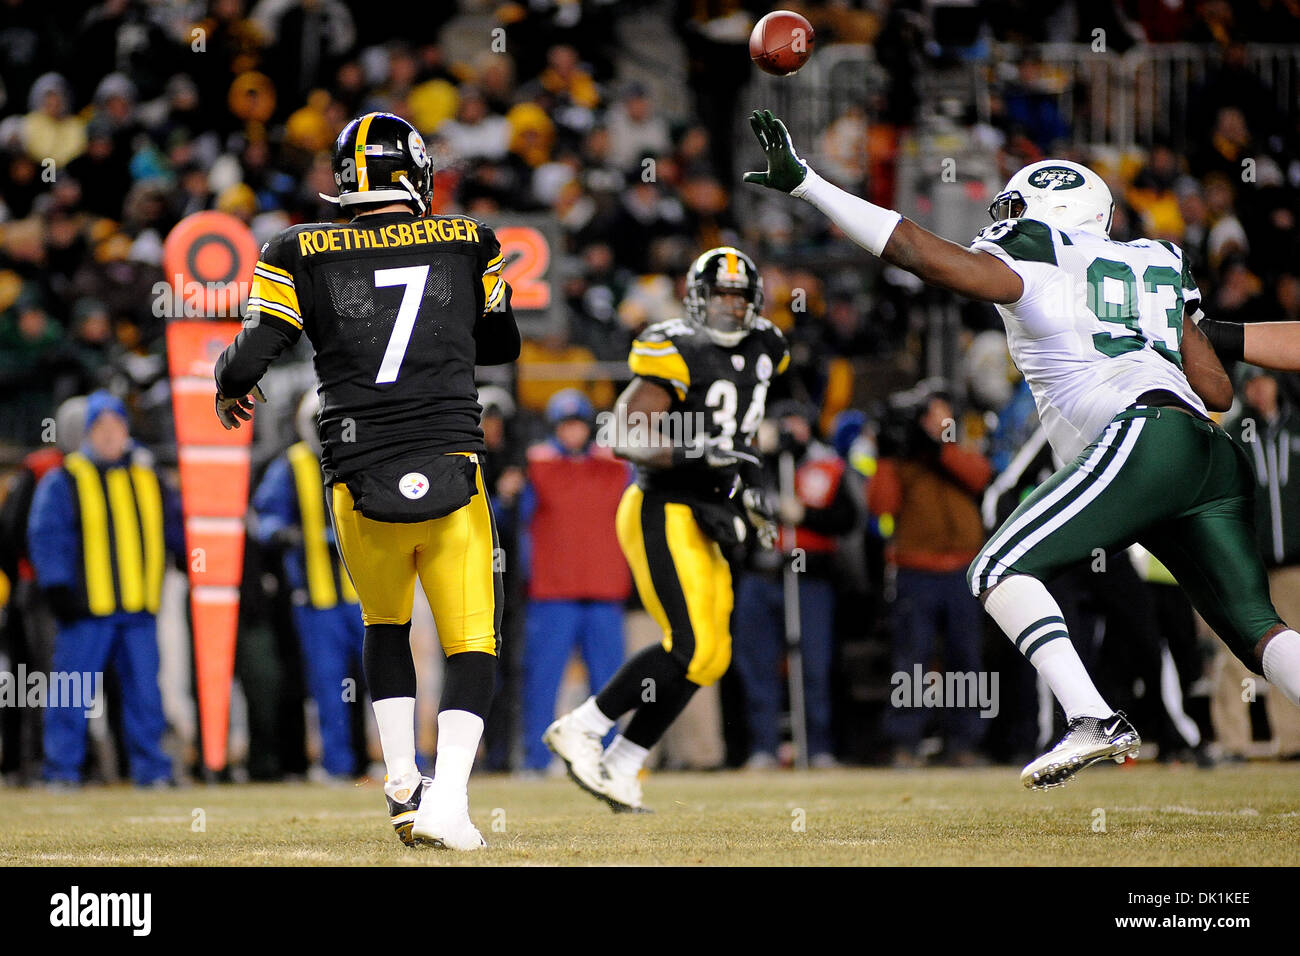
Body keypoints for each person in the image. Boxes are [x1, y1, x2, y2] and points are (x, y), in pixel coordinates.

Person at [744, 108, 1300, 790]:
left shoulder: (1042, 250)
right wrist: (1179, 328)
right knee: (1257, 630)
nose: (1001, 221)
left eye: (1016, 207)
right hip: (1208, 454)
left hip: (1141, 435)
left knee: (998, 568)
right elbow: (1214, 388)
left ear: (1052, 209)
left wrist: (810, 186)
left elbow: (918, 252)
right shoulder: (1156, 259)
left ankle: (1093, 718)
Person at [214, 112, 520, 850]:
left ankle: (401, 782)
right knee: (471, 638)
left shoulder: (298, 249)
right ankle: (448, 799)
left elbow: (252, 356)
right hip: (449, 462)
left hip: (357, 473)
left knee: (384, 626)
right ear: (415, 174)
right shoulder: (467, 239)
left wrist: (229, 384)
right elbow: (503, 344)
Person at [545, 246, 788, 811]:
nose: (730, 307)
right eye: (720, 295)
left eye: (738, 296)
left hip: (711, 512)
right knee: (692, 642)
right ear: (696, 300)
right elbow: (623, 434)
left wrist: (748, 480)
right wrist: (695, 451)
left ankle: (623, 764)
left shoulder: (768, 347)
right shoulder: (672, 346)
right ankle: (582, 725)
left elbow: (747, 430)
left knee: (711, 656)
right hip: (664, 506)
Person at [26, 390, 183, 788]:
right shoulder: (65, 478)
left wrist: (191, 558)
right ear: (88, 433)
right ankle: (61, 772)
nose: (111, 435)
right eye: (101, 428)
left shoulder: (148, 478)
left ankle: (152, 771)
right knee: (71, 694)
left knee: (146, 696)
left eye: (117, 427)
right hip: (85, 611)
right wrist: (58, 587)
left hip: (138, 611)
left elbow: (176, 527)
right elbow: (47, 535)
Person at [869, 383, 992, 766]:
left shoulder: (958, 446)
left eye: (943, 414)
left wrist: (940, 447)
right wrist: (889, 455)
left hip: (963, 570)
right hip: (915, 571)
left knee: (967, 659)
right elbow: (881, 506)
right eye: (931, 415)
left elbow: (980, 477)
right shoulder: (901, 457)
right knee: (912, 661)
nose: (938, 421)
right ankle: (906, 742)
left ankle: (965, 743)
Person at [732, 401, 857, 768]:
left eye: (798, 424)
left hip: (808, 577)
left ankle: (817, 746)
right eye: (783, 424)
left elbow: (847, 519)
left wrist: (805, 515)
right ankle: (764, 747)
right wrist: (762, 458)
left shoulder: (826, 464)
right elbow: (733, 507)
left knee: (813, 665)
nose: (790, 432)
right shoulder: (756, 465)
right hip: (761, 574)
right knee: (757, 664)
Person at [250, 391, 367, 781]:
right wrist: (290, 536)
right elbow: (264, 519)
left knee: (387, 681)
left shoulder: (363, 460)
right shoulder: (292, 465)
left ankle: (401, 762)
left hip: (366, 595)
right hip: (316, 599)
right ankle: (338, 765)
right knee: (329, 686)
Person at [519, 389, 631, 772]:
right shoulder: (537, 466)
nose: (572, 432)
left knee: (610, 685)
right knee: (542, 682)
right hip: (553, 594)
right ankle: (535, 760)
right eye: (565, 425)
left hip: (604, 592)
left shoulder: (616, 466)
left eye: (577, 424)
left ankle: (610, 763)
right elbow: (516, 520)